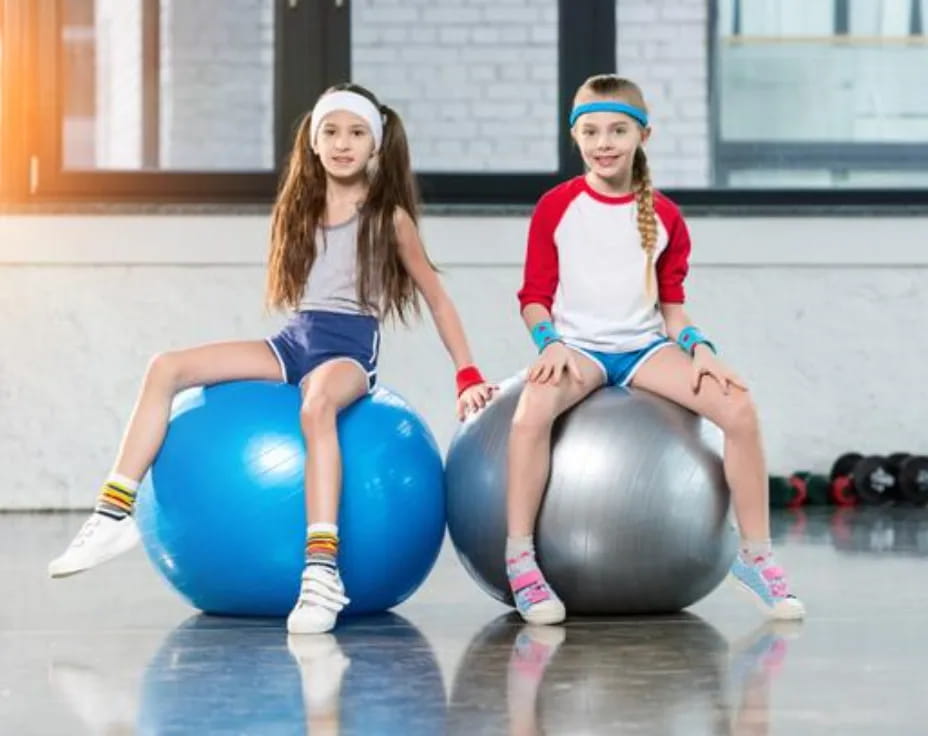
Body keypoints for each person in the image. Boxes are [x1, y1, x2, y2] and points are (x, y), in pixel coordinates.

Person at [48, 83, 495, 635]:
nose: (342, 143)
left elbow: (436, 296)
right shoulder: (301, 208)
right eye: (330, 131)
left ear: (375, 146)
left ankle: (322, 571)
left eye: (357, 133)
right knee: (166, 367)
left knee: (315, 407)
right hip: (293, 343)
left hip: (349, 350)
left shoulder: (389, 217)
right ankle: (113, 513)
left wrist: (467, 372)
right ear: (312, 141)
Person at [504, 74, 805, 625]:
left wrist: (700, 348)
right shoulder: (556, 207)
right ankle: (520, 558)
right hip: (579, 349)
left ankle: (756, 555)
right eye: (591, 131)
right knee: (529, 416)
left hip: (642, 349)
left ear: (645, 134)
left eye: (618, 129)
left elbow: (671, 307)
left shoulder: (664, 215)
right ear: (575, 138)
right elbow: (533, 297)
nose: (604, 142)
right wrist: (548, 343)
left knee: (739, 407)